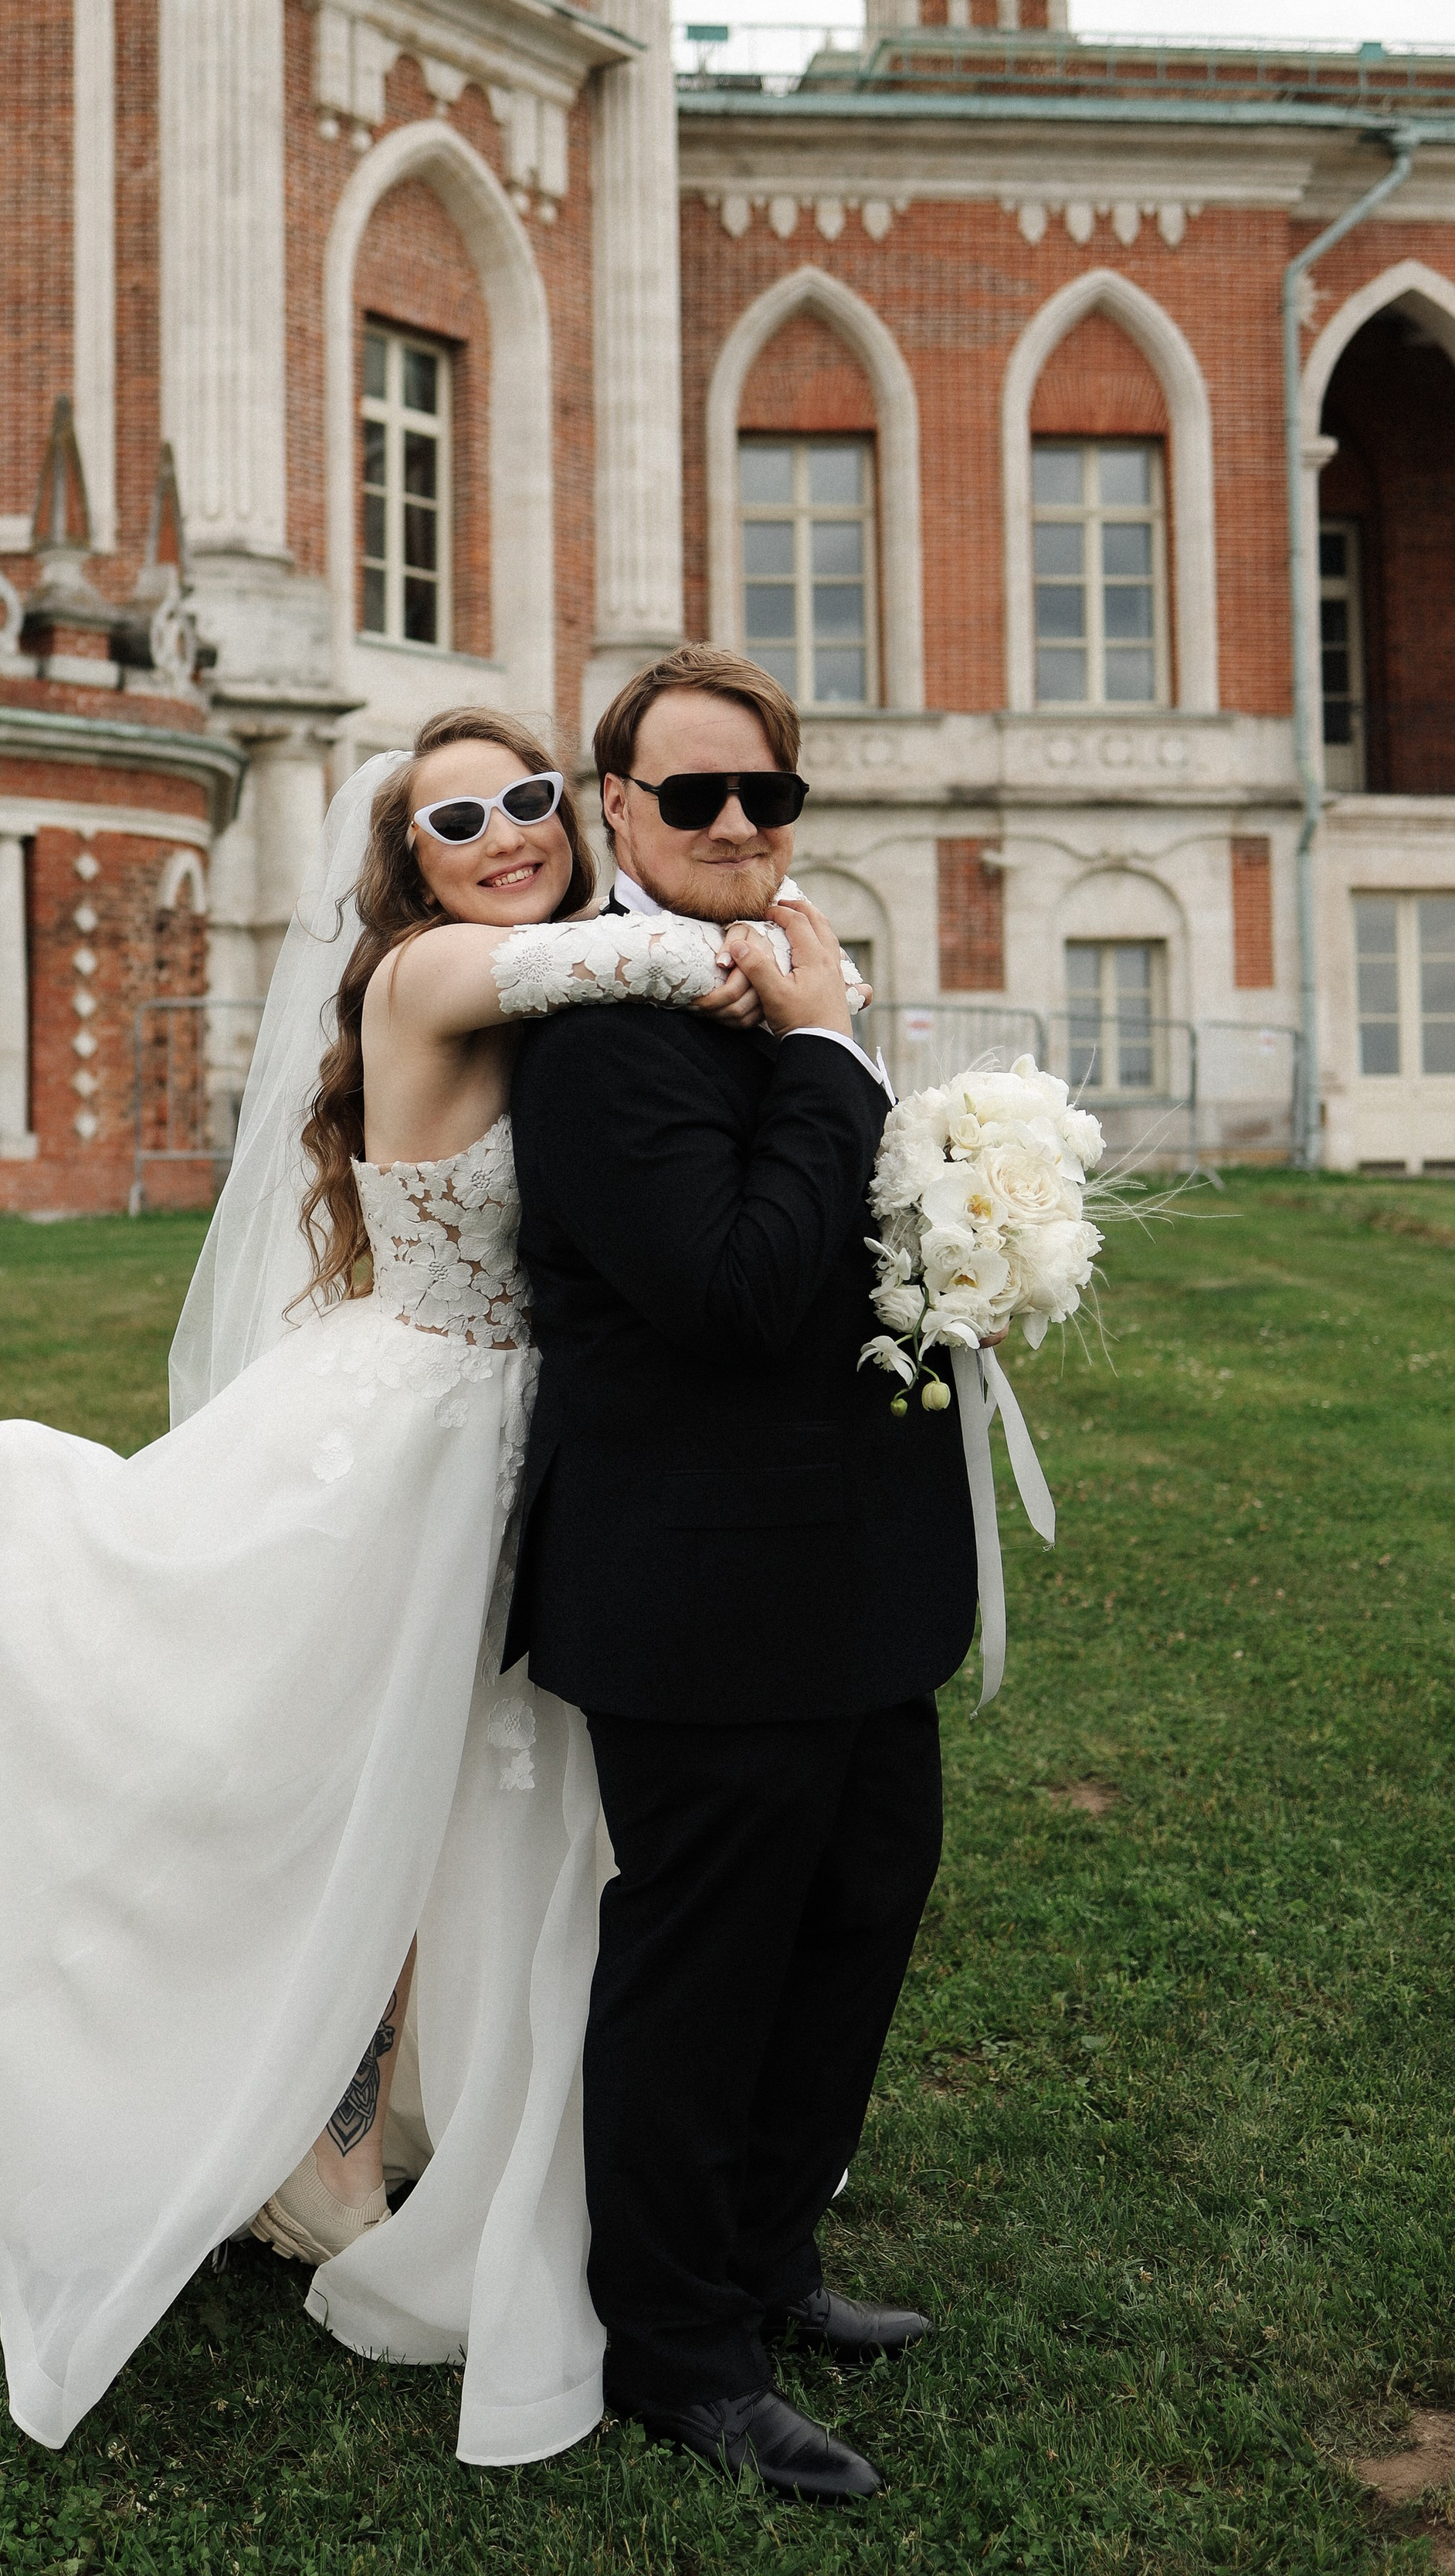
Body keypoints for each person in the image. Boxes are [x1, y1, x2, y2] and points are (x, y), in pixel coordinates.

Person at [0, 707, 768, 2465]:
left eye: (532, 799)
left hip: (501, 1434)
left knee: (452, 1802)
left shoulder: (545, 982)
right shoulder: (433, 978)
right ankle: (287, 2132)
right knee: (323, 1781)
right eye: (458, 817)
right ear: (404, 864)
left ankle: (382, 2106)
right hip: (406, 1440)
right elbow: (624, 952)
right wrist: (766, 956)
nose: (505, 830)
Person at [504, 643, 980, 2504]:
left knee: (857, 1918)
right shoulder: (601, 1032)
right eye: (686, 795)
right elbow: (723, 1287)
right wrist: (831, 1055)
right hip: (696, 1595)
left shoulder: (778, 989)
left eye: (759, 797)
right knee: (700, 1975)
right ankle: (674, 2345)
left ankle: (770, 2258)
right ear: (612, 810)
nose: (726, 824)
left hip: (858, 1572)